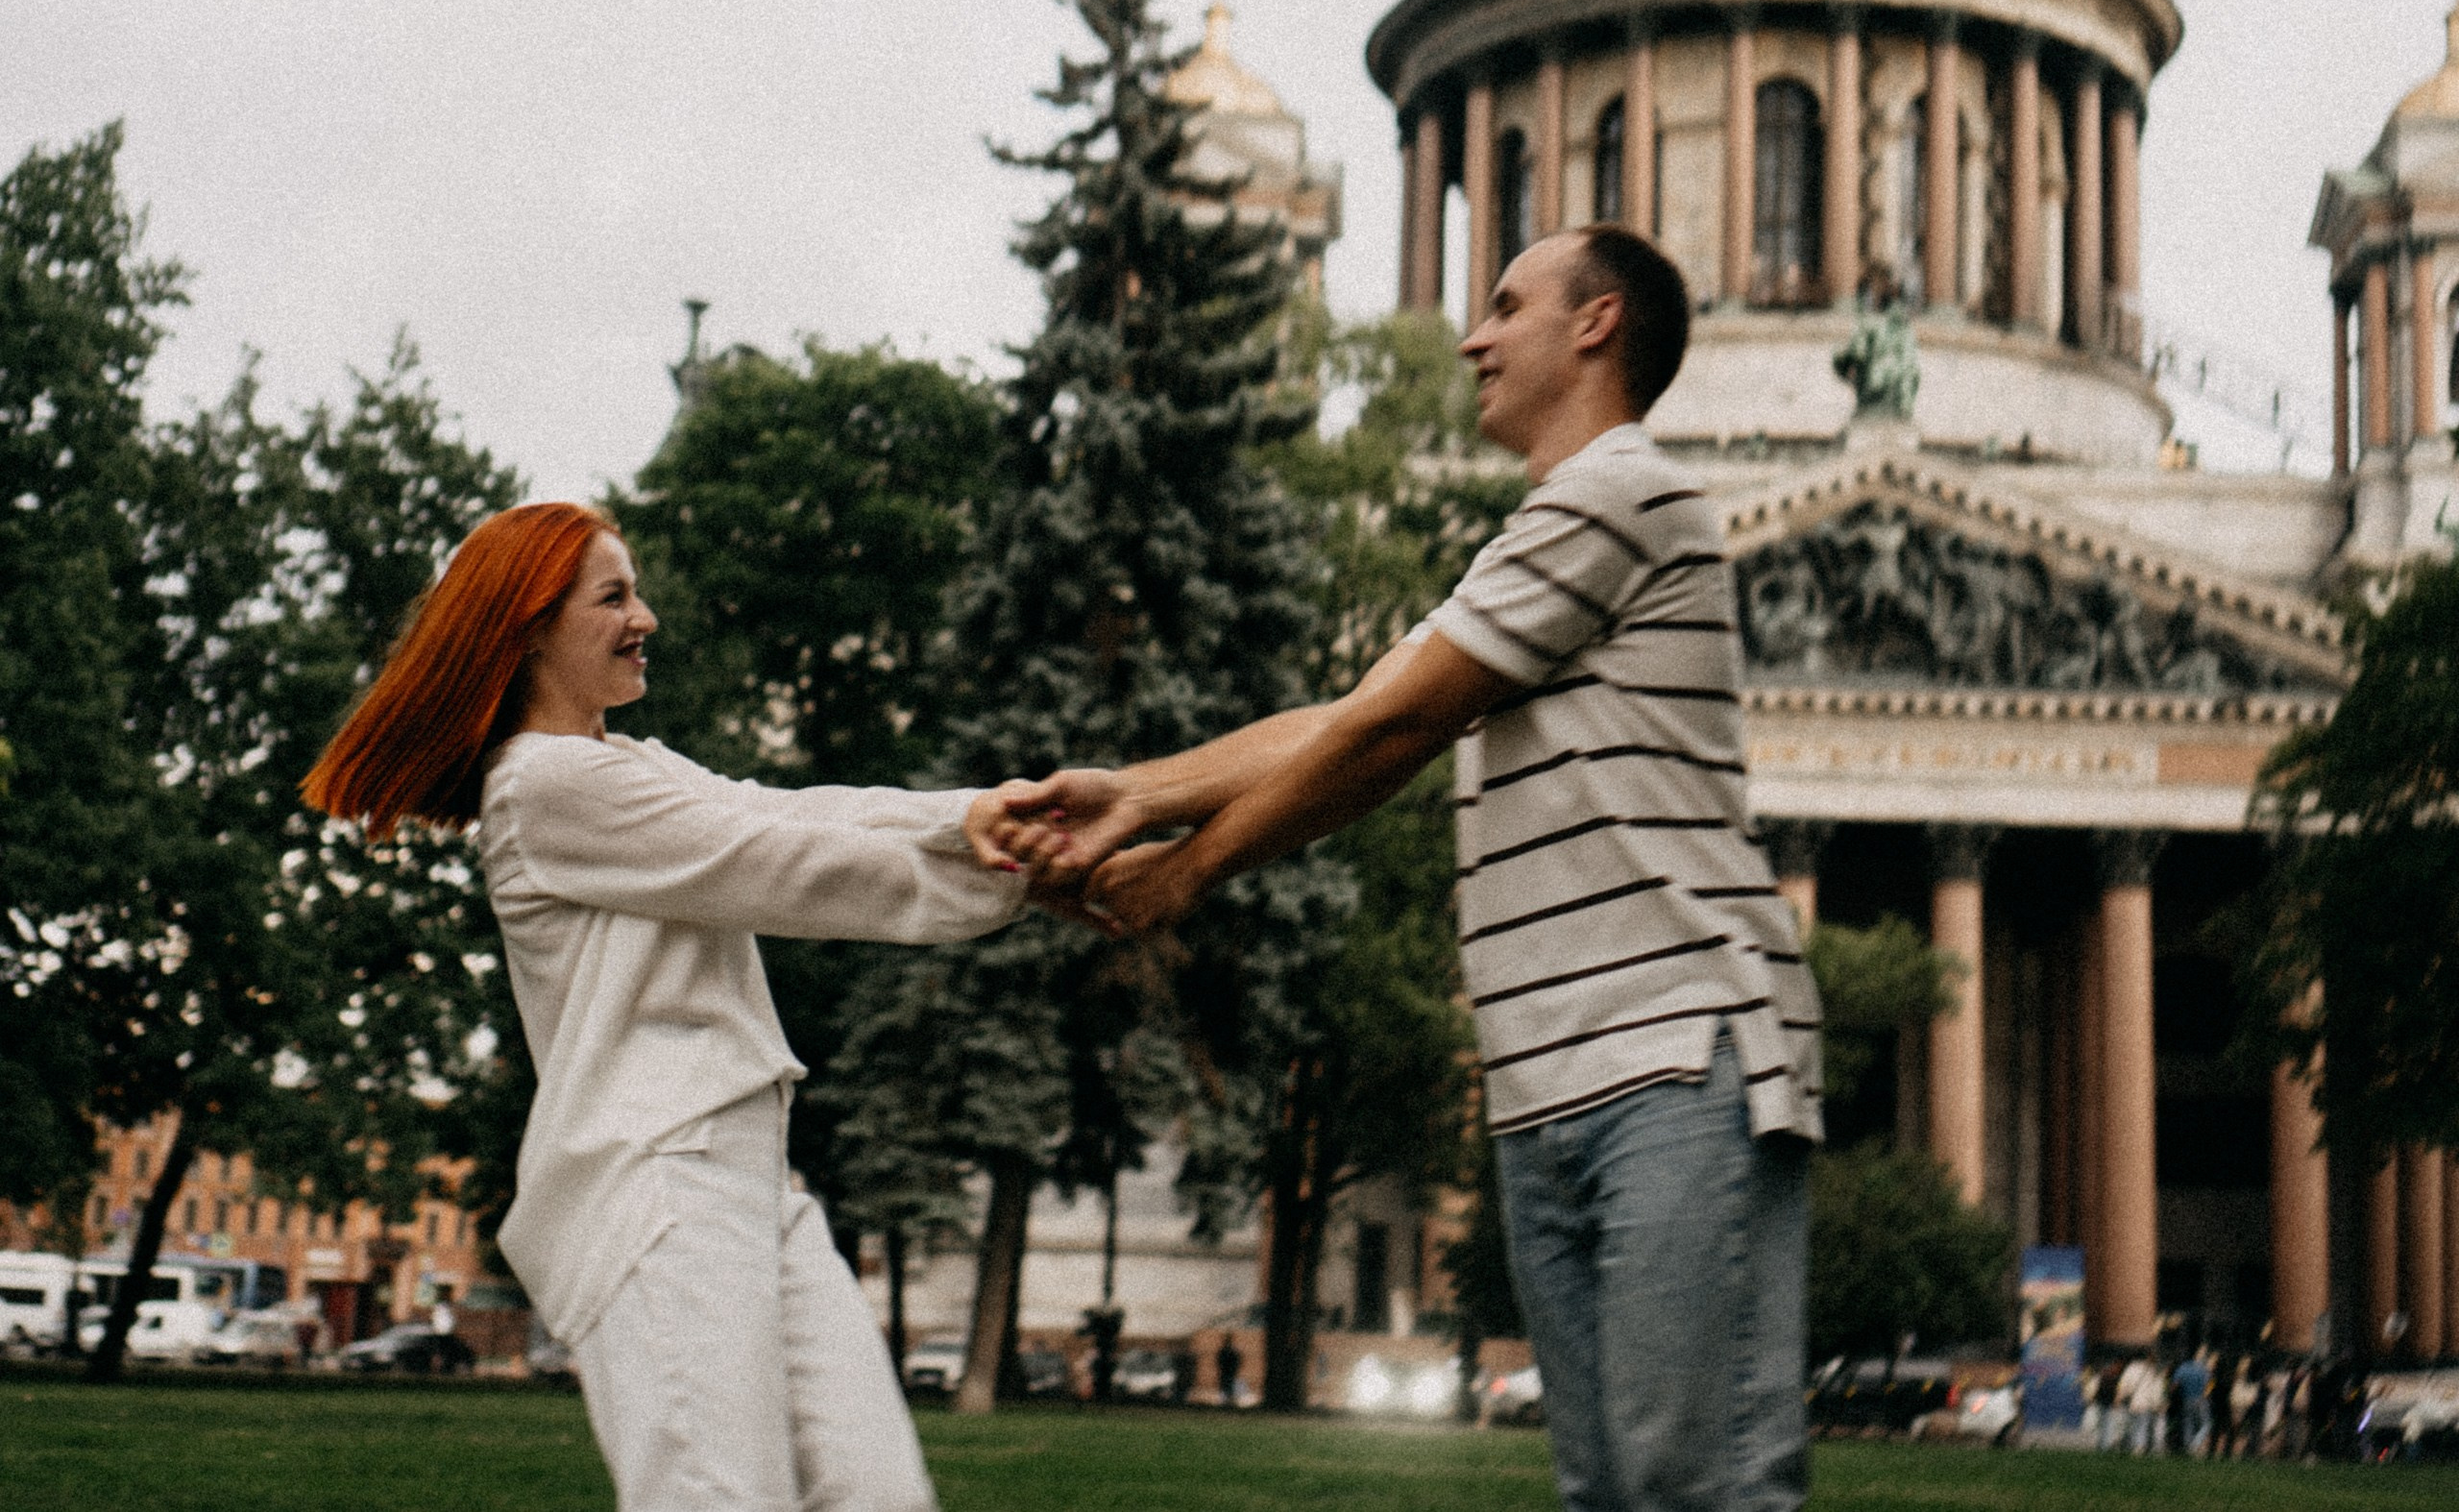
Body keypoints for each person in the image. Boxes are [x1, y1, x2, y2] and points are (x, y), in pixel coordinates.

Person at [987, 227, 1823, 1512]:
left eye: (1504, 306)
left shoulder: (1624, 493)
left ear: (1595, 324)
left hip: (1673, 1055)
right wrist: (1133, 791)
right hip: (1557, 1079)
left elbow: (1392, 726)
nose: (1473, 336)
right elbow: (1356, 707)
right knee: (1615, 1490)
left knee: (1690, 1487)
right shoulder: (1553, 527)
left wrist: (1184, 872)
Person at [303, 502, 1044, 1512]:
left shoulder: (631, 770)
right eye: (613, 596)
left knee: (879, 1494)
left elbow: (789, 810)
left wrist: (972, 817)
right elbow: (786, 865)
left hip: (753, 1186)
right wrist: (1025, 878)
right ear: (528, 631)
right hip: (660, 1189)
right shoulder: (542, 787)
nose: (643, 616)